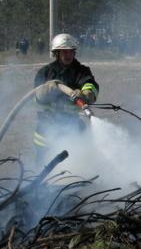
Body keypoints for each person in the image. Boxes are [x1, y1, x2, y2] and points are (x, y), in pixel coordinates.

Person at [33, 33, 99, 164]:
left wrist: (87, 93)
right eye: (64, 52)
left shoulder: (81, 71)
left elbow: (89, 84)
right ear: (56, 53)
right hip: (47, 125)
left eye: (70, 52)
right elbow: (36, 96)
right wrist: (45, 91)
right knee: (43, 161)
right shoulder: (45, 72)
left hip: (72, 122)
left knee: (80, 157)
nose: (68, 55)